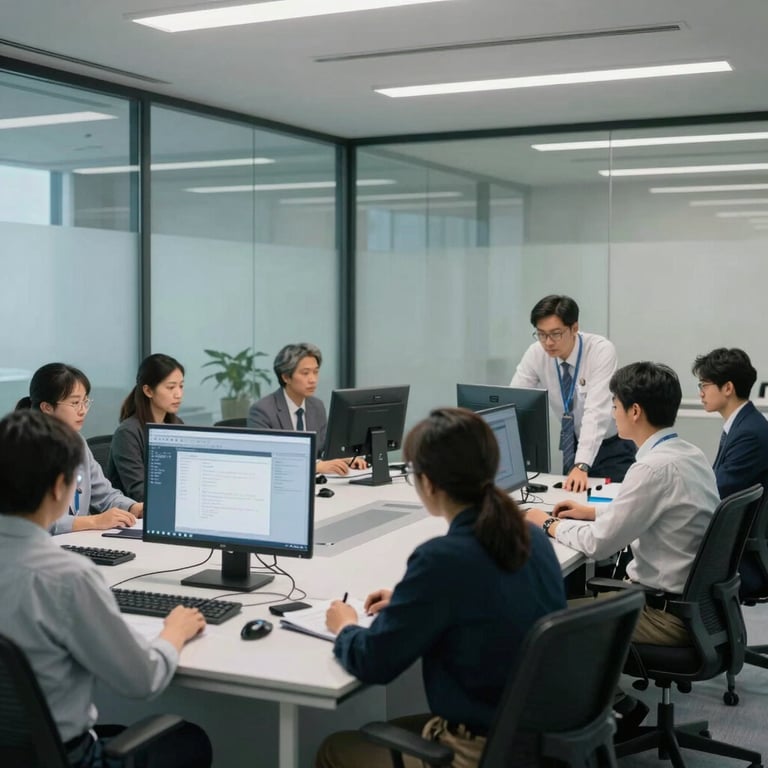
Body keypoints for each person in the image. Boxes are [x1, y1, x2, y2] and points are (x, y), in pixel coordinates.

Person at [315, 407, 566, 768]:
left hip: (479, 749)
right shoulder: (530, 535)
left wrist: (345, 626)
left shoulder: (443, 559)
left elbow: (374, 662)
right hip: (538, 736)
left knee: (335, 750)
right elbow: (486, 599)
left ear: (428, 483)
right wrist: (411, 602)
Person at [0, 408, 212, 768]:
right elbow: (142, 681)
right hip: (68, 758)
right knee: (190, 740)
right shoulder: (66, 576)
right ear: (58, 487)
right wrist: (173, 633)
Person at [525, 362, 720, 734]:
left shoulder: (651, 470)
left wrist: (547, 523)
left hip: (664, 615)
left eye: (614, 405)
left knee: (544, 623)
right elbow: (650, 512)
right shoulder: (687, 454)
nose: (612, 413)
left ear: (634, 411)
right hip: (697, 608)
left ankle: (605, 716)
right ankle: (616, 706)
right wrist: (591, 511)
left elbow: (599, 547)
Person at [512, 294, 636, 491]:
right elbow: (514, 401)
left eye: (555, 334)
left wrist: (581, 464)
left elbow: (596, 412)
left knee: (610, 510)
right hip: (574, 444)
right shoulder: (536, 353)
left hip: (612, 446)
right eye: (541, 334)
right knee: (570, 506)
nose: (548, 342)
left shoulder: (600, 351)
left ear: (574, 328)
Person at [16, 362, 142, 534]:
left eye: (85, 401)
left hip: (74, 544)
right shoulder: (22, 448)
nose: (83, 410)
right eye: (75, 403)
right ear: (47, 407)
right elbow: (33, 520)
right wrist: (94, 520)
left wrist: (133, 508)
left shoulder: (78, 443)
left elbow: (104, 495)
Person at [692, 347, 768, 596]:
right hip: (737, 544)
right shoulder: (743, 425)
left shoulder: (750, 433)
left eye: (704, 385)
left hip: (743, 559)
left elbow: (716, 491)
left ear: (728, 388)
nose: (701, 393)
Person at [248, 342, 366, 476]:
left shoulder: (316, 406)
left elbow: (323, 449)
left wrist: (345, 458)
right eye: (305, 373)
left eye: (315, 372)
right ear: (286, 377)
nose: (313, 379)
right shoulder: (263, 411)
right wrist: (315, 467)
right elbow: (267, 462)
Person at [107, 353, 185, 502]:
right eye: (171, 387)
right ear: (148, 391)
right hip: (135, 517)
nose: (178, 394)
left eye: (181, 386)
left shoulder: (177, 425)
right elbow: (139, 492)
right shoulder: (128, 433)